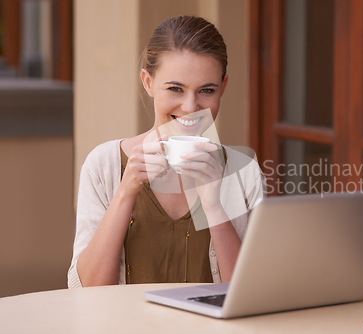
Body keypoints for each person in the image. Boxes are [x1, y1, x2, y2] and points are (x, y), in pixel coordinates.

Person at [68, 16, 264, 288]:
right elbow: (89, 290)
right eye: (175, 88)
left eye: (207, 90)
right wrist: (126, 190)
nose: (191, 107)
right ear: (148, 82)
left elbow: (248, 293)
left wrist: (214, 205)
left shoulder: (245, 173)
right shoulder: (103, 165)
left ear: (223, 88)